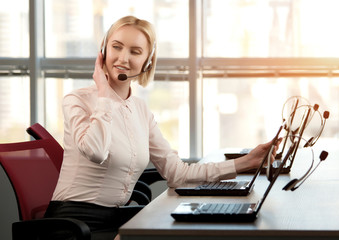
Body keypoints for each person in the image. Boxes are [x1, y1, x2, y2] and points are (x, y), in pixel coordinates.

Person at [44, 16, 281, 240]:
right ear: (103, 51)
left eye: (135, 52)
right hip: (74, 225)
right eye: (116, 47)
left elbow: (177, 174)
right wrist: (104, 95)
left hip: (117, 219)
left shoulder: (140, 110)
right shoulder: (77, 100)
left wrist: (246, 162)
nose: (123, 58)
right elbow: (95, 151)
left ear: (147, 62)